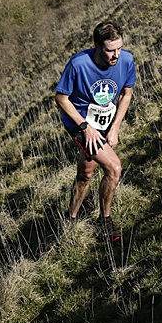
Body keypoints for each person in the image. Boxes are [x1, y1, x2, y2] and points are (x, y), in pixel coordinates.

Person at [55, 20, 136, 241]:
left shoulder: (127, 60)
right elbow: (61, 98)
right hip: (81, 124)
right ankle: (105, 222)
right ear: (97, 46)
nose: (116, 55)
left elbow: (126, 94)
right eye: (110, 50)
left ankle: (69, 218)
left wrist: (115, 128)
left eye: (119, 48)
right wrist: (85, 126)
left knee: (86, 173)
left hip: (106, 122)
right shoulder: (78, 64)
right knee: (114, 168)